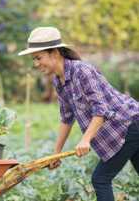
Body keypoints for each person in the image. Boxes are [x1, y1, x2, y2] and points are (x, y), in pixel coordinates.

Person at [18, 26, 139, 201]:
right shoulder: (59, 81)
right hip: (126, 127)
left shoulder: (82, 71)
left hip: (129, 124)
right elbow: (66, 117)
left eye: (38, 58)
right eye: (34, 59)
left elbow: (101, 109)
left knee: (100, 179)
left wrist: (86, 139)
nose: (36, 64)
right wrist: (56, 153)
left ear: (55, 53)